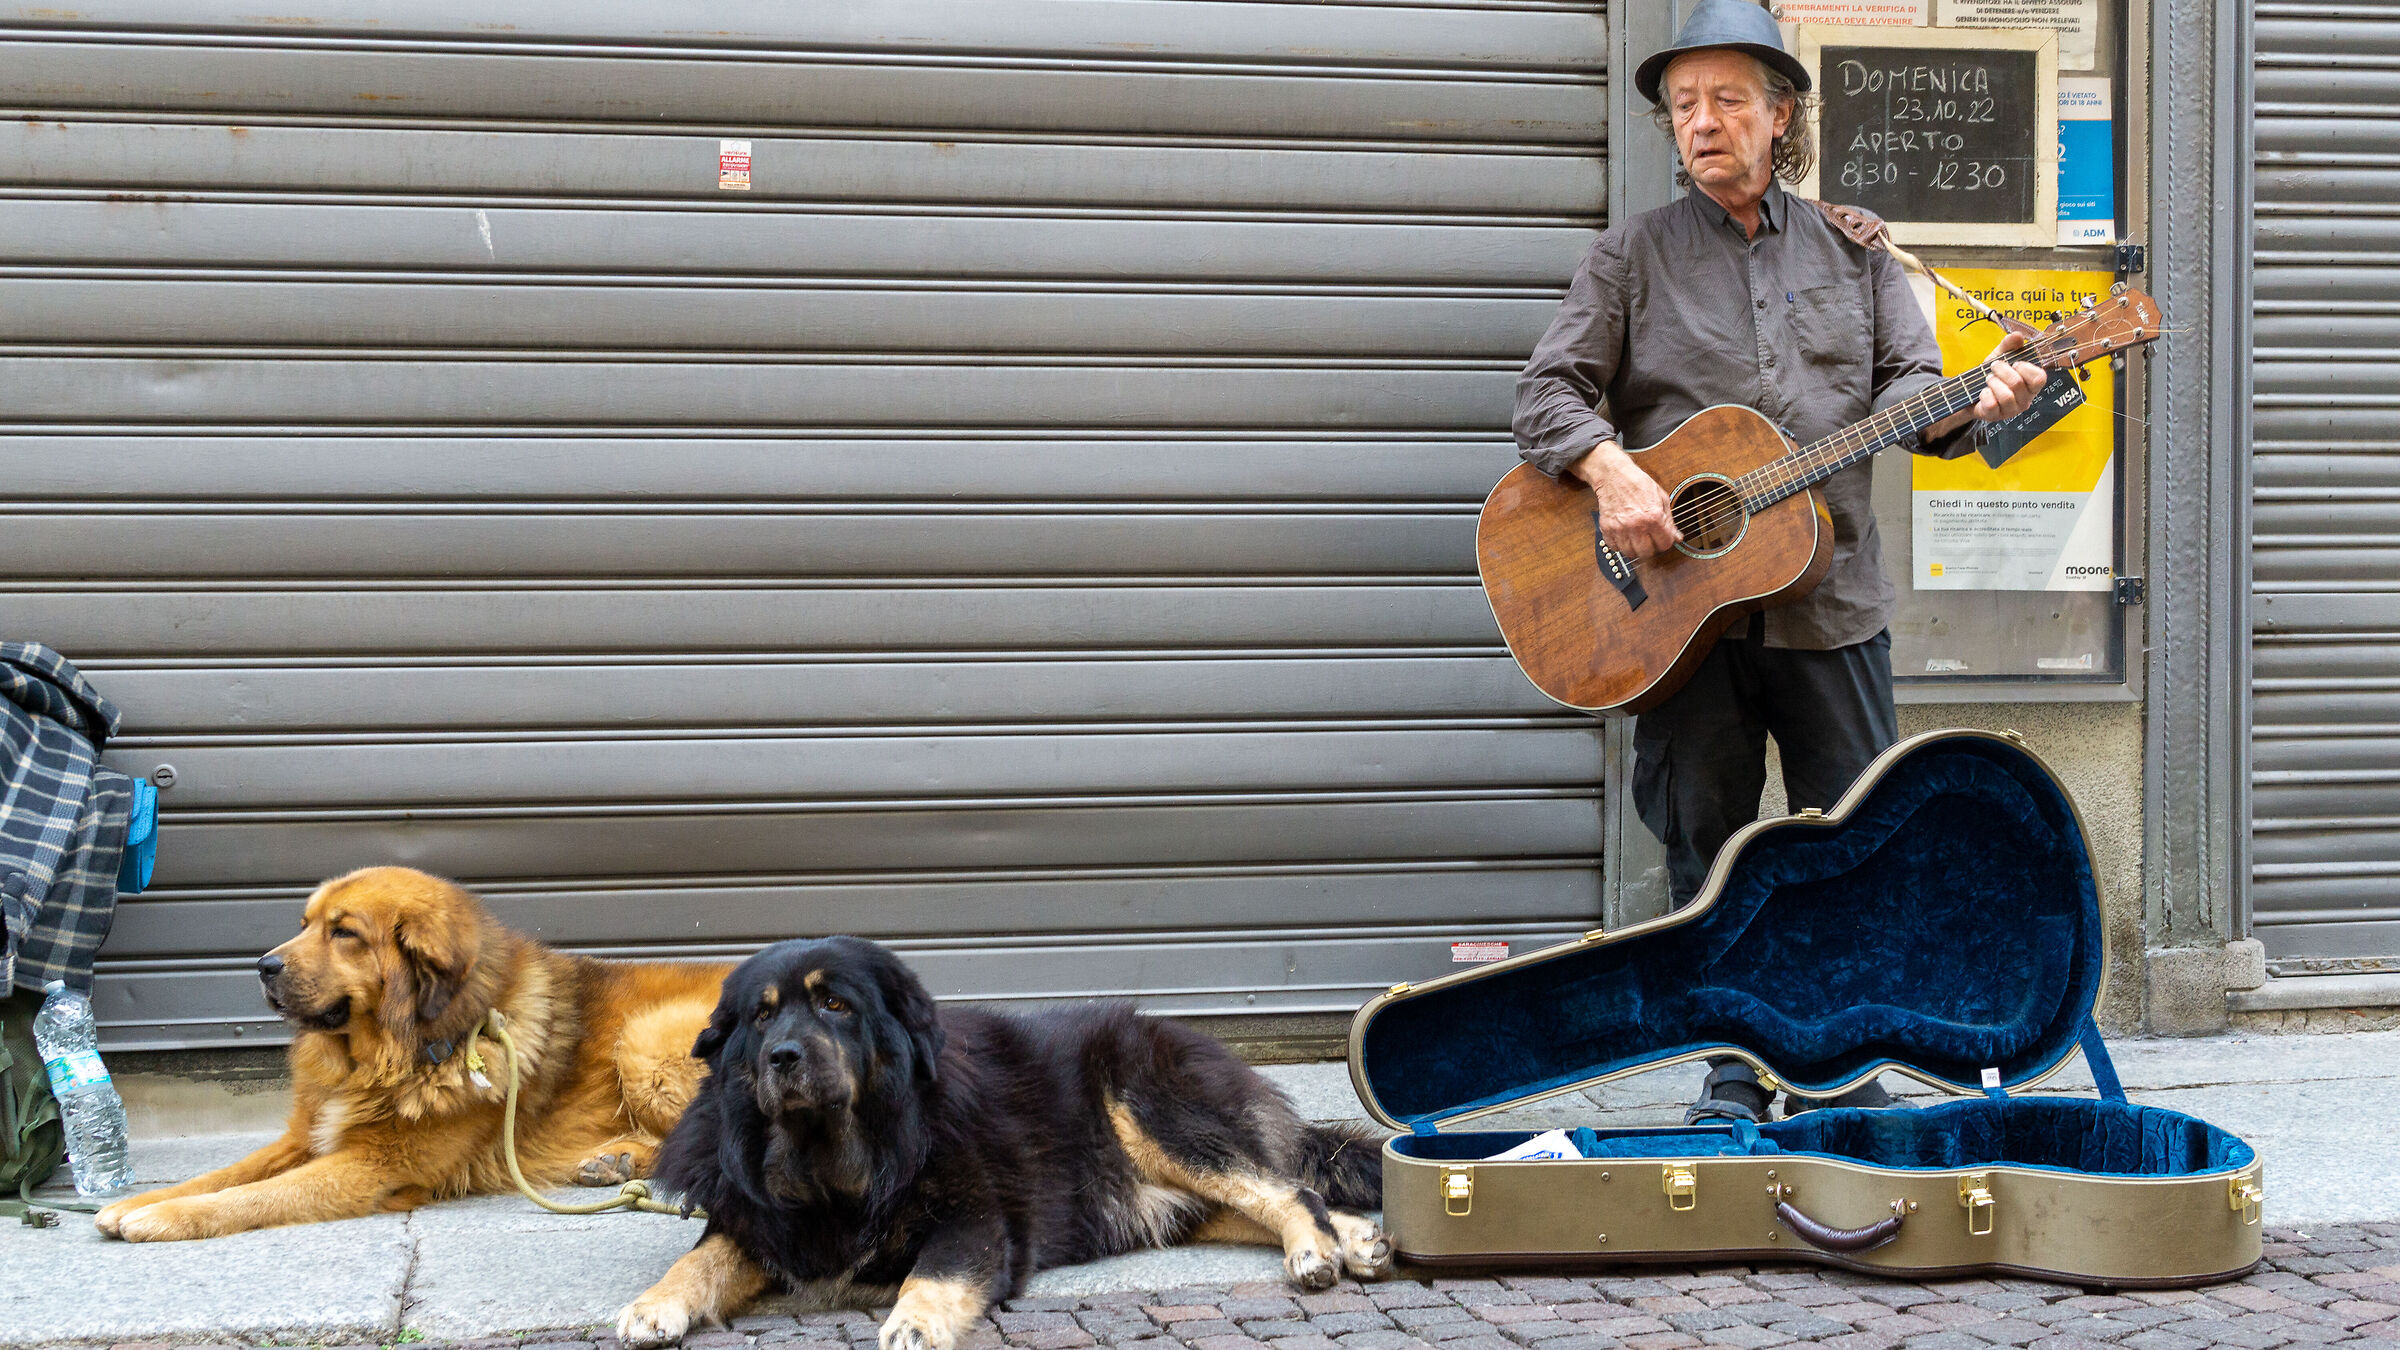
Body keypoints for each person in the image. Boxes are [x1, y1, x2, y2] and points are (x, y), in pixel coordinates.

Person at [1510, 0, 2046, 1125]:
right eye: (1684, 105)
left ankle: (1845, 1060)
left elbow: (1912, 391)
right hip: (1675, 618)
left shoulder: (1857, 251)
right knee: (1711, 848)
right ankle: (1734, 1068)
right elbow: (1548, 397)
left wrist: (1979, 394)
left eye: (1727, 101)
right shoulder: (1630, 256)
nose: (1701, 123)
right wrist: (1617, 477)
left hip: (1832, 608)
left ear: (1780, 115)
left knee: (1858, 838)